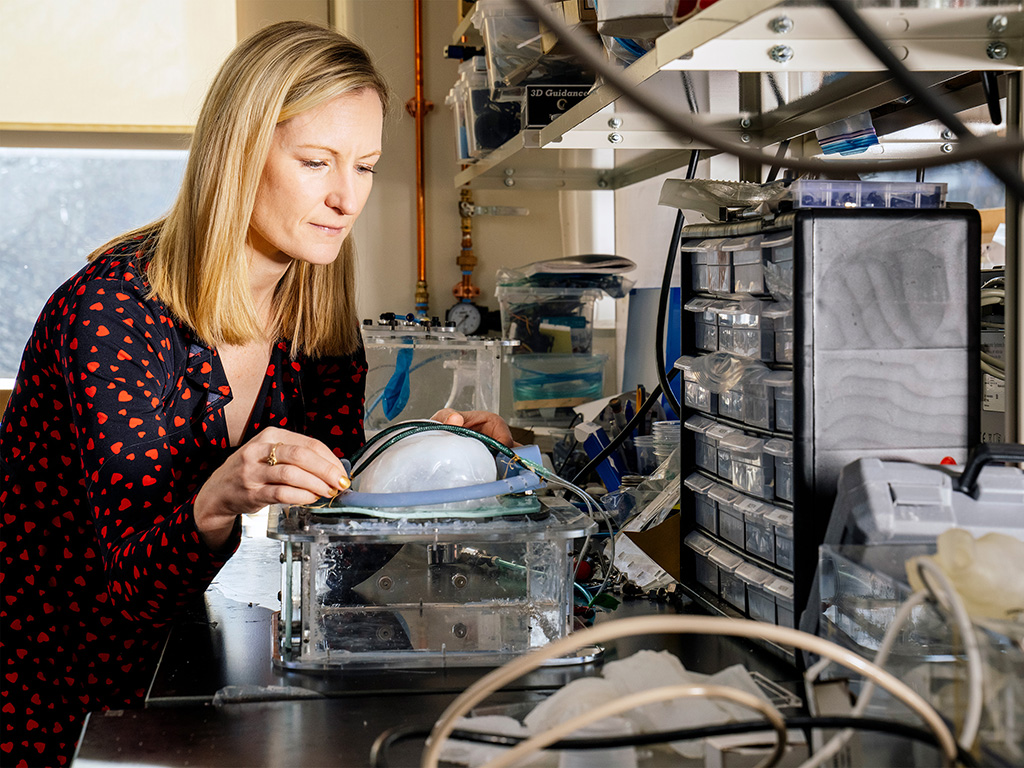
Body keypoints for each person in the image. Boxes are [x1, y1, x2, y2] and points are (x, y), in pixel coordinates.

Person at [0, 21, 510, 767]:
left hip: (188, 681)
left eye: (365, 167)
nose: (347, 197)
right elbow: (130, 586)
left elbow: (330, 554)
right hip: (55, 693)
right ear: (237, 156)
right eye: (316, 162)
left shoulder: (317, 318)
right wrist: (218, 499)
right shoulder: (109, 315)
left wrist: (422, 464)